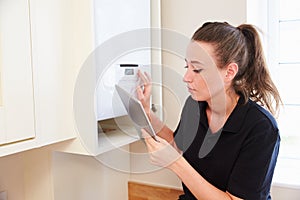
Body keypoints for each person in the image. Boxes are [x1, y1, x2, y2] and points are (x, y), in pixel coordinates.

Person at [136, 22, 282, 200]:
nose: (186, 77)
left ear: (229, 72)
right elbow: (179, 144)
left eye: (197, 69)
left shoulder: (261, 129)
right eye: (187, 67)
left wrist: (175, 163)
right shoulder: (195, 105)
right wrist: (146, 112)